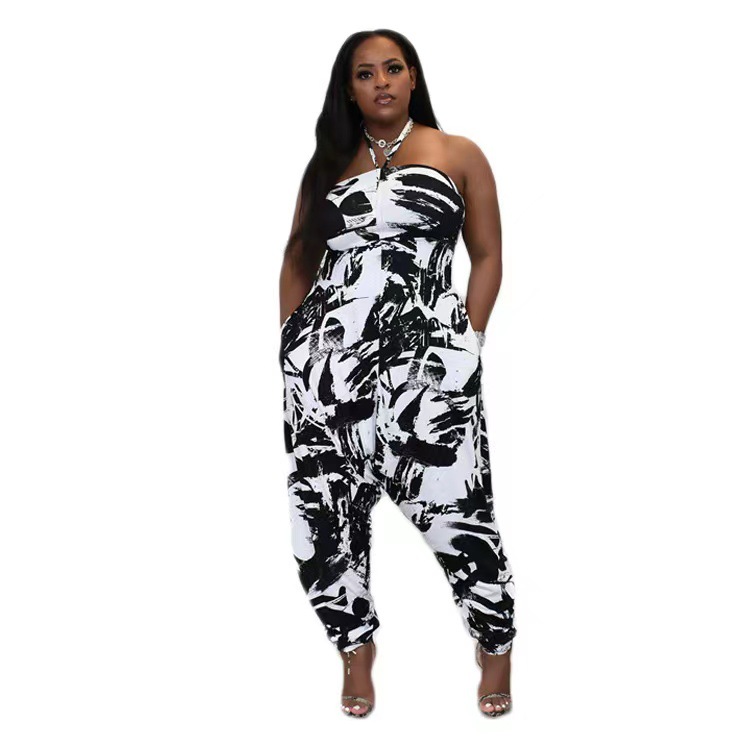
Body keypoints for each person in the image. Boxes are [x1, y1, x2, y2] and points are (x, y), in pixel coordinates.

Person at [278, 29, 516, 718]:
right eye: (364, 73)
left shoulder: (456, 154)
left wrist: (467, 341)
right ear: (349, 90)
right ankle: (355, 649)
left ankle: (494, 640)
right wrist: (292, 349)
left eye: (392, 68)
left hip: (427, 372)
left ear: (412, 77)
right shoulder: (327, 164)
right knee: (324, 516)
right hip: (326, 373)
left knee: (457, 511)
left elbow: (488, 254)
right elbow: (296, 258)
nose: (380, 81)